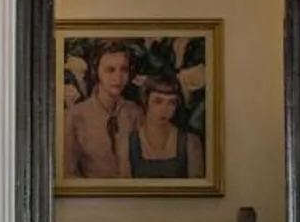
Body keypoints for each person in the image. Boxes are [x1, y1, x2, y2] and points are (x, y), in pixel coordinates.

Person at [61, 42, 137, 179]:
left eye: (124, 69)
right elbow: (68, 173)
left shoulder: (135, 112)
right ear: (96, 72)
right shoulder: (75, 116)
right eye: (110, 70)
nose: (118, 77)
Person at [126, 74, 205, 179]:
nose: (164, 109)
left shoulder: (190, 142)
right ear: (145, 101)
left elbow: (198, 191)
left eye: (172, 103)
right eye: (158, 101)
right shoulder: (128, 142)